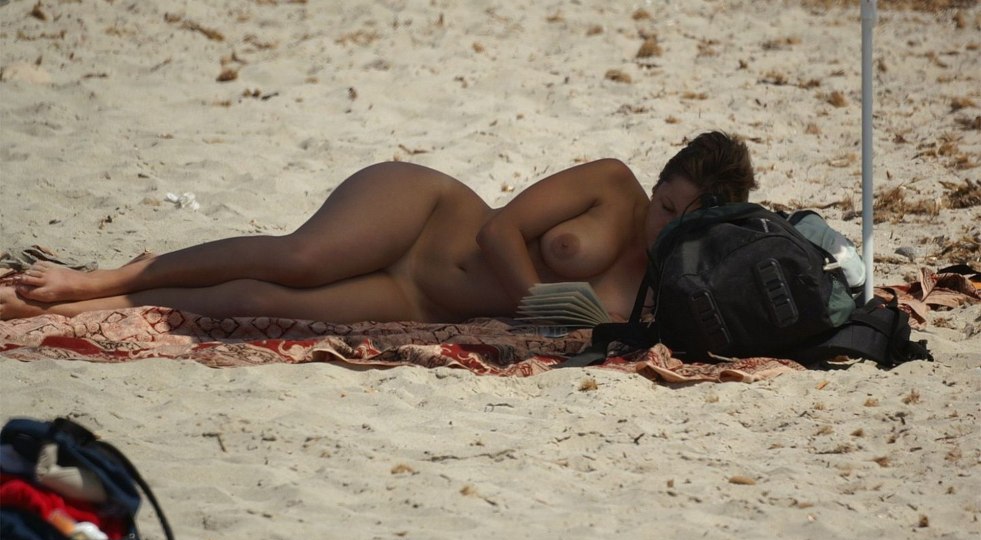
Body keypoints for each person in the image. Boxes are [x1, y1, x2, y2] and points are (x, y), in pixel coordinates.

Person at [0, 131, 757, 323]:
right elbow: (498, 231)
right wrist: (540, 302)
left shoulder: (677, 273)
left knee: (256, 305)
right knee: (298, 259)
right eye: (668, 204)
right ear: (658, 182)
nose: (666, 225)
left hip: (425, 302)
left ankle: (92, 307)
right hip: (426, 218)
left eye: (688, 220)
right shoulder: (613, 185)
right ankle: (113, 274)